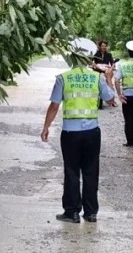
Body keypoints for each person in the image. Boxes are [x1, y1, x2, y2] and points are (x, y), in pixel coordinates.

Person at [40, 51, 117, 223]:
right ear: (89, 61)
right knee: (91, 171)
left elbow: (54, 106)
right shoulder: (97, 78)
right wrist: (109, 78)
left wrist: (46, 127)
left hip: (70, 133)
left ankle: (72, 212)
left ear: (71, 60)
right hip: (92, 133)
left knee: (71, 171)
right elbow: (111, 100)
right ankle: (90, 213)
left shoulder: (63, 78)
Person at [92, 40, 116, 109]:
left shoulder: (109, 55)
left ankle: (112, 99)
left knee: (110, 83)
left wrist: (111, 69)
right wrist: (95, 65)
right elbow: (91, 62)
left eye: (105, 46)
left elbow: (112, 64)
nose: (104, 47)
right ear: (99, 46)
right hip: (97, 71)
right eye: (102, 46)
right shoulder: (95, 54)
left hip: (106, 72)